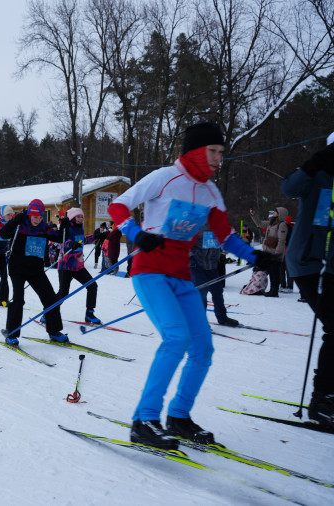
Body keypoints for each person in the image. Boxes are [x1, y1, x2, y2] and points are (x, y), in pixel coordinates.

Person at [108, 122, 280, 450]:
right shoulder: (164, 177)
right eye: (213, 151)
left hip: (182, 277)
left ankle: (179, 417)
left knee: (202, 349)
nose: (218, 158)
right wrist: (136, 234)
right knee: (176, 338)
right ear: (195, 151)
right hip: (150, 272)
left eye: (221, 153)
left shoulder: (210, 192)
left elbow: (226, 235)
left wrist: (255, 256)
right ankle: (144, 419)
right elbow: (118, 206)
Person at [280, 136, 334, 428]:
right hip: (309, 263)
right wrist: (313, 165)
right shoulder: (319, 175)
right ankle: (322, 400)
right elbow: (288, 188)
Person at [0, 199, 68, 345]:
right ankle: (11, 333)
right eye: (35, 217)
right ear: (29, 214)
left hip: (36, 269)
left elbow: (59, 238)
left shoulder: (43, 228)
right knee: (18, 299)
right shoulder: (20, 224)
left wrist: (64, 226)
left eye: (40, 217)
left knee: (50, 297)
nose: (37, 220)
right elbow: (3, 234)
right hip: (17, 268)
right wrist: (14, 221)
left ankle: (54, 330)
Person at [56, 207, 102, 324]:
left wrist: (96, 236)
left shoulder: (80, 229)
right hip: (66, 266)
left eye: (82, 216)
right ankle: (49, 313)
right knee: (63, 293)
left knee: (92, 286)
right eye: (78, 217)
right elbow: (64, 242)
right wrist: (71, 243)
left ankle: (89, 314)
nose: (81, 219)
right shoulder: (67, 228)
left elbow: (83, 240)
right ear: (72, 218)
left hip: (78, 266)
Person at [189, 227, 239, 327]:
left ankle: (222, 318)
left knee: (218, 291)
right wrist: (191, 257)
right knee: (202, 292)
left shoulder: (219, 226)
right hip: (197, 265)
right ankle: (200, 322)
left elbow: (229, 242)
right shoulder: (198, 225)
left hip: (212, 266)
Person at [250, 206, 289, 297]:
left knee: (274, 272)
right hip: (267, 252)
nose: (274, 213)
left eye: (276, 212)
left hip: (275, 253)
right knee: (261, 269)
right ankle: (258, 287)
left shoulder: (282, 225)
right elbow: (259, 223)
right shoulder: (271, 222)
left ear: (280, 214)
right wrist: (254, 215)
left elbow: (281, 240)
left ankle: (274, 291)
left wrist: (277, 254)